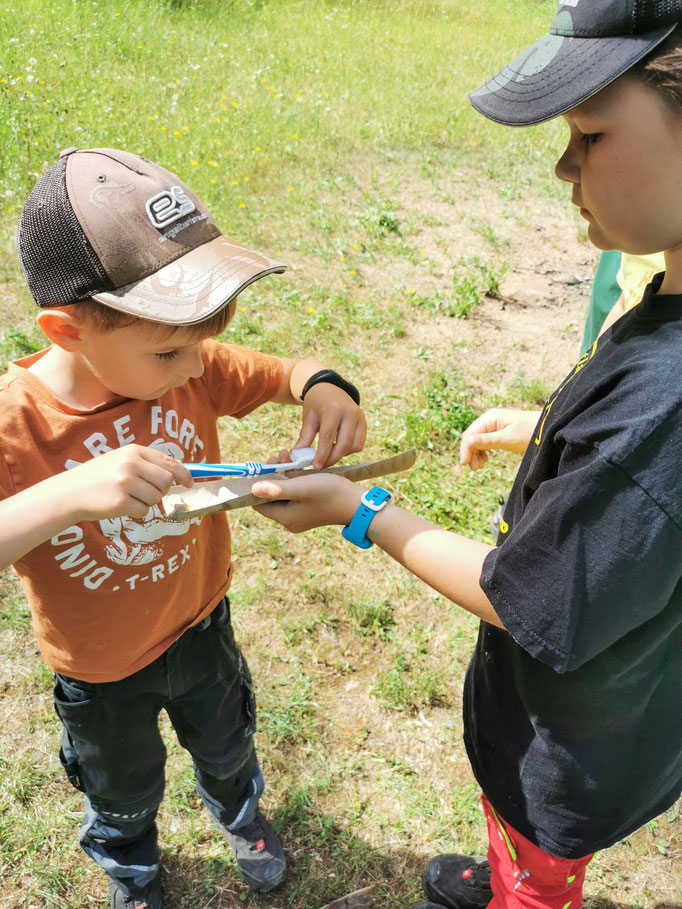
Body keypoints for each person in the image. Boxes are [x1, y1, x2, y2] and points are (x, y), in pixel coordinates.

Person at [251, 3, 682, 908]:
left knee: (535, 872)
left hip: (570, 748)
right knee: (518, 847)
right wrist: (548, 426)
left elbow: (522, 592)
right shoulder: (664, 314)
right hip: (609, 707)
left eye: (591, 134)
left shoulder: (662, 408)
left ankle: (520, 891)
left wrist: (356, 509)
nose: (565, 166)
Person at [2, 147, 366, 909]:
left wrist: (322, 384)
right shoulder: (18, 424)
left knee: (226, 742)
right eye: (171, 348)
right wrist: (70, 494)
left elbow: (277, 372)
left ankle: (238, 811)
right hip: (102, 673)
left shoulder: (183, 363)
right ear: (67, 332)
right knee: (122, 784)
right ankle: (131, 865)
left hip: (202, 624)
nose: (195, 365)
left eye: (200, 341)